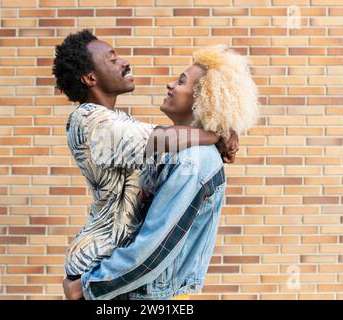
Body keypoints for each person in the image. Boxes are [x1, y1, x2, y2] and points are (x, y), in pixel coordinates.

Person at [62, 44, 259, 300]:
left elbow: (157, 246)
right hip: (117, 283)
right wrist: (215, 132)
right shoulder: (94, 121)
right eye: (112, 60)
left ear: (202, 99)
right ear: (90, 78)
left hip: (132, 290)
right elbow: (157, 138)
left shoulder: (192, 160)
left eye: (180, 81)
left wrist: (91, 286)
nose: (169, 84)